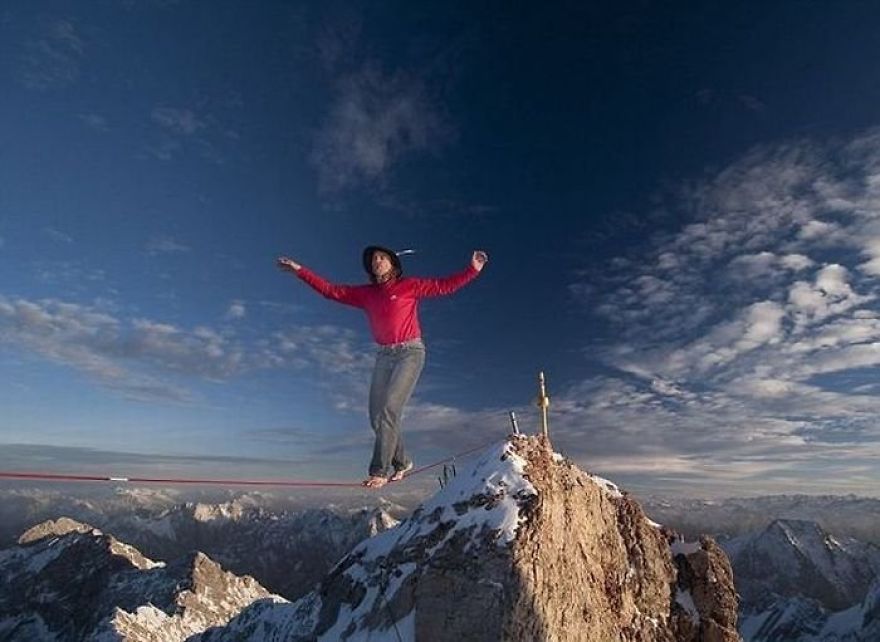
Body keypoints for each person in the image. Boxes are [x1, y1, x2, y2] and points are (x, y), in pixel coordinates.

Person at [277, 246, 488, 488]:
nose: (377, 261)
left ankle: (380, 469)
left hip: (410, 352)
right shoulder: (365, 294)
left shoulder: (410, 285)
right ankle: (403, 461)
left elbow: (445, 286)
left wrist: (473, 270)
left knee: (389, 409)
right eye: (373, 260)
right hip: (384, 356)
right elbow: (331, 291)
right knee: (376, 417)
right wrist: (299, 270)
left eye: (382, 258)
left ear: (392, 264)